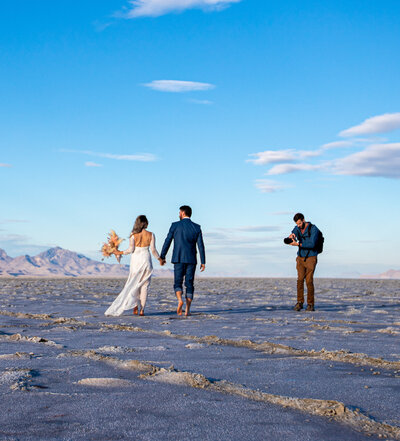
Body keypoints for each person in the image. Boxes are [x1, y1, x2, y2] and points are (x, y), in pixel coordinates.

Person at [105, 215, 163, 317]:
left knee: (134, 284)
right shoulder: (151, 234)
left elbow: (130, 250)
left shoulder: (133, 235)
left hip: (136, 261)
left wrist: (120, 252)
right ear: (145, 223)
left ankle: (134, 305)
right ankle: (142, 310)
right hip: (146, 260)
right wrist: (160, 259)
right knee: (144, 286)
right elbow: (153, 250)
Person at [160, 205, 206, 317]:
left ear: (183, 213)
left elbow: (168, 241)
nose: (179, 214)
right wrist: (203, 261)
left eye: (179, 212)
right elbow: (201, 245)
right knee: (189, 284)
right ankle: (187, 310)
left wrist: (162, 256)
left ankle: (180, 300)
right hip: (191, 259)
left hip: (178, 258)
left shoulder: (175, 225)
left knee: (178, 282)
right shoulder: (196, 227)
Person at [289, 213, 320, 312]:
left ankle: (310, 304)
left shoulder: (314, 229)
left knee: (309, 281)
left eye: (299, 223)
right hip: (300, 257)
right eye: (296, 224)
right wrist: (292, 235)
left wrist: (298, 243)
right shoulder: (297, 228)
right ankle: (300, 302)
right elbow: (294, 231)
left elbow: (312, 243)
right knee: (300, 280)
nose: (298, 225)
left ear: (303, 220)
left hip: (311, 257)